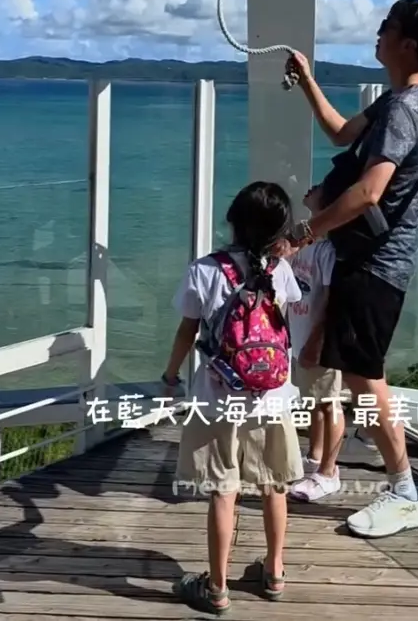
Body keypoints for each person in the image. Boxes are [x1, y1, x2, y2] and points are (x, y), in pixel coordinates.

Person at [282, 0, 418, 539]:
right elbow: (339, 134)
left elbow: (369, 191)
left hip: (377, 262)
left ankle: (405, 489)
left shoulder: (405, 109)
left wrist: (308, 230)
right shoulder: (401, 100)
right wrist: (308, 81)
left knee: (365, 377)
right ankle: (400, 486)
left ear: (408, 45)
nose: (377, 34)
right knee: (359, 375)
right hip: (370, 259)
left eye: (386, 28)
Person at [162, 181, 304, 615]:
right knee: (273, 485)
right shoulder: (280, 270)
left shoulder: (205, 270)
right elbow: (289, 315)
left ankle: (217, 588)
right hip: (273, 397)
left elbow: (187, 331)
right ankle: (275, 572)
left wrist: (170, 375)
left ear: (232, 220)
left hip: (218, 399)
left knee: (224, 492)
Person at [288, 184, 345, 502]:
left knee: (328, 402)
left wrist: (316, 340)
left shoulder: (329, 250)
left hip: (316, 339)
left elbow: (332, 299)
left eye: (322, 187)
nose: (312, 187)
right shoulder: (310, 245)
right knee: (315, 402)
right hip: (301, 337)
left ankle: (328, 471)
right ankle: (315, 458)